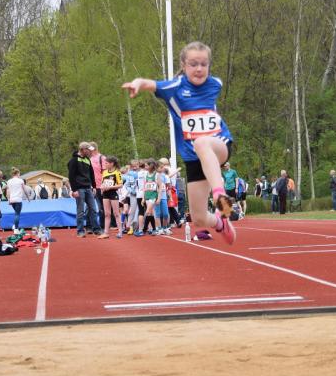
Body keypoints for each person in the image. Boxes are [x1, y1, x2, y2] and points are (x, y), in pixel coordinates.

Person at [122, 41, 236, 244]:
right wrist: (137, 83)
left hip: (219, 144)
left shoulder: (215, 84)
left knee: (201, 142)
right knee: (199, 217)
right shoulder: (174, 87)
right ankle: (221, 223)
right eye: (193, 64)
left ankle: (220, 196)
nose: (199, 69)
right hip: (194, 158)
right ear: (183, 65)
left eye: (204, 64)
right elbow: (150, 83)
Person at [67, 141, 101, 237]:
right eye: (88, 150)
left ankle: (96, 229)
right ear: (83, 150)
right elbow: (71, 176)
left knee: (93, 209)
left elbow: (91, 174)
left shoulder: (87, 159)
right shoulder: (74, 160)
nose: (90, 152)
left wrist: (94, 186)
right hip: (79, 189)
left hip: (88, 188)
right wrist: (74, 190)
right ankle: (80, 231)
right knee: (80, 211)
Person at [98, 156, 123, 239]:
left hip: (113, 193)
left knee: (116, 213)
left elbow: (120, 185)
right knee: (107, 214)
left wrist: (110, 187)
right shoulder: (104, 172)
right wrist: (102, 187)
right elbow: (103, 182)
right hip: (105, 194)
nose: (105, 164)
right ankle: (106, 233)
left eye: (106, 163)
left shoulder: (117, 172)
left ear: (112, 164)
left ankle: (120, 232)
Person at [5, 168, 27, 233]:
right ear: (17, 173)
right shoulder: (20, 180)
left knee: (16, 213)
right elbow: (25, 189)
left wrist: (8, 199)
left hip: (12, 199)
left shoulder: (9, 181)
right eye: (19, 174)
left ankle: (15, 226)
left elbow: (7, 191)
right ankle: (16, 229)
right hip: (18, 199)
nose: (19, 175)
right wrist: (28, 197)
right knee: (17, 214)